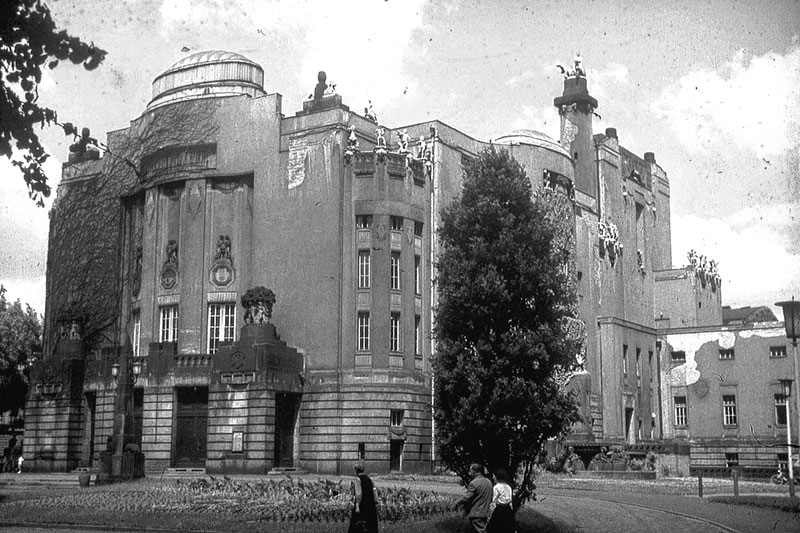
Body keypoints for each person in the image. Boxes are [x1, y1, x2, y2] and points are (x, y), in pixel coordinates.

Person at [456, 463, 493, 533]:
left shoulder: (474, 483)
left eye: (470, 471)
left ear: (474, 471)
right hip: (485, 512)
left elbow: (467, 498)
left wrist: (458, 502)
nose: (470, 473)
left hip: (476, 514)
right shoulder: (489, 482)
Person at [350, 461, 378, 533]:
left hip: (362, 506)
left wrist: (357, 506)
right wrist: (375, 502)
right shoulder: (370, 479)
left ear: (356, 470)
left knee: (357, 526)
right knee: (371, 527)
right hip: (371, 506)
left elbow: (358, 493)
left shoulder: (357, 479)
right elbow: (374, 491)